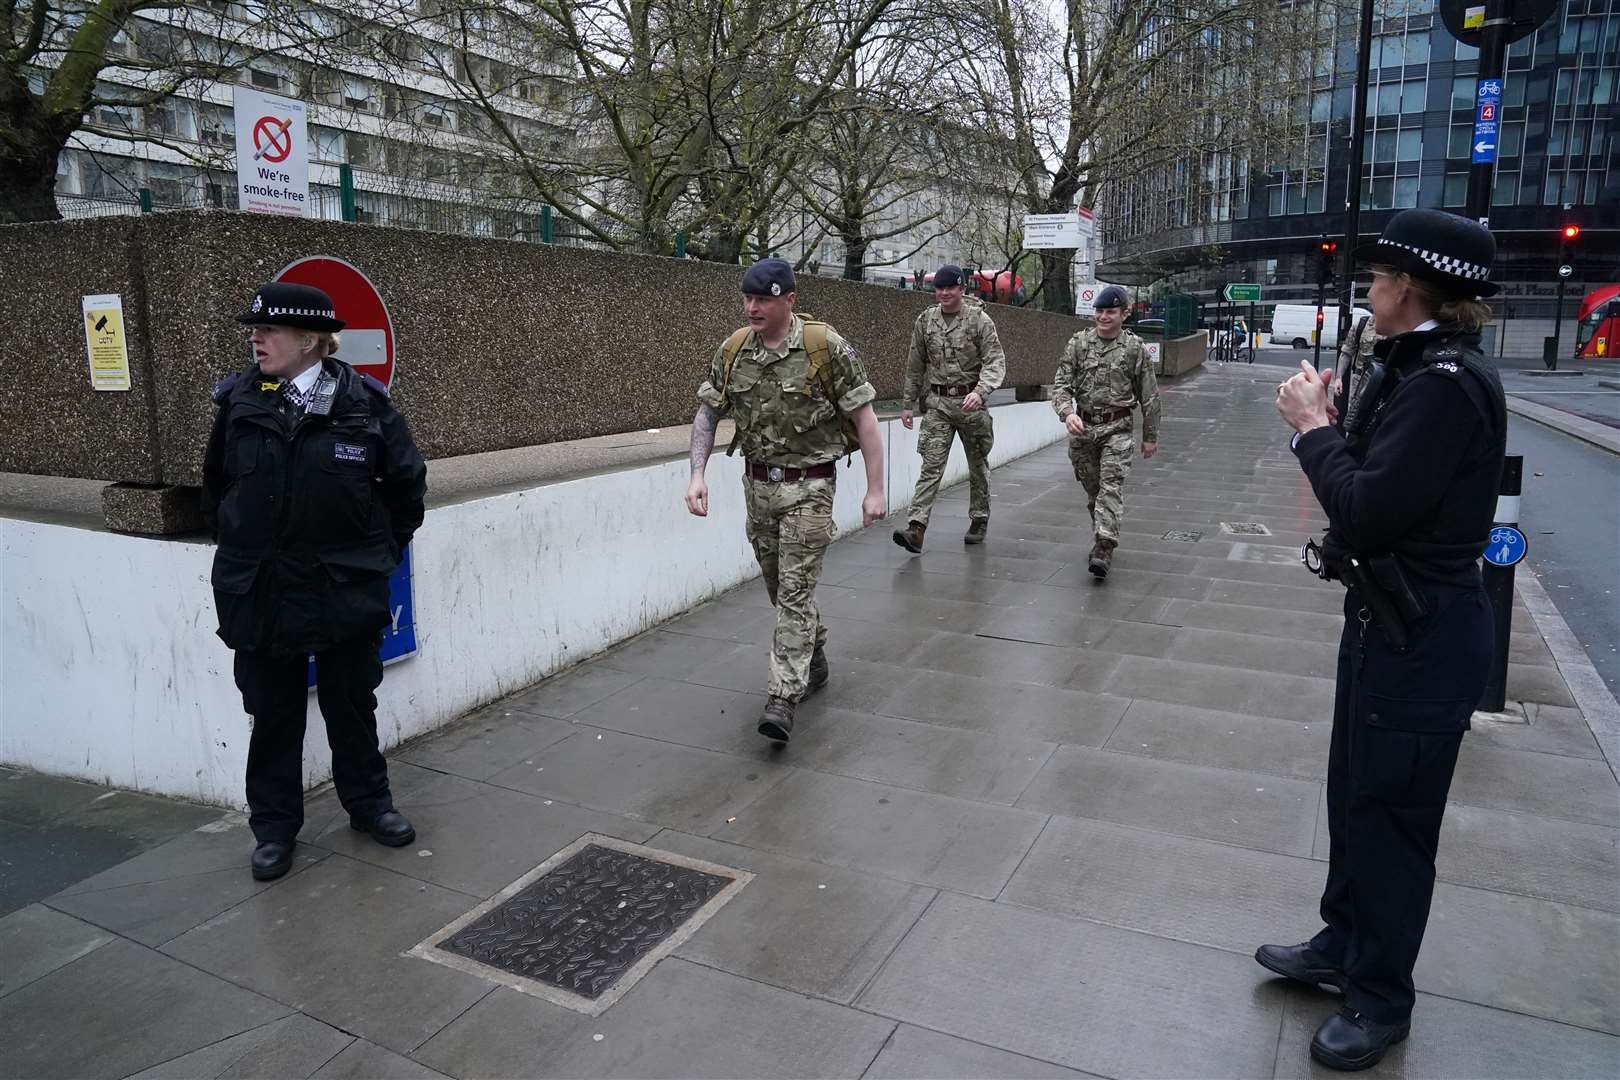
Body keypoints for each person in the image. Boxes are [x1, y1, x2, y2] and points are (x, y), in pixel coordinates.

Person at [1262, 208, 1507, 1071]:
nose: (1369, 287)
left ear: (1409, 288)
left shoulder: (1443, 385)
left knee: (1395, 820)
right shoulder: (1414, 366)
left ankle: (1380, 998)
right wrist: (1335, 424)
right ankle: (1344, 945)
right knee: (1354, 794)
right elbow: (1373, 478)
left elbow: (1365, 509)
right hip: (1387, 624)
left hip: (1423, 636)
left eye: (1378, 277)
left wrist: (1311, 430)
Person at [202, 281, 427, 881]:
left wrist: (375, 553)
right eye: (255, 328)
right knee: (272, 713)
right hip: (264, 589)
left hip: (342, 586)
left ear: (310, 340)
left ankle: (369, 805)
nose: (255, 338)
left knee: (351, 704)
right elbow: (217, 487)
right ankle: (274, 829)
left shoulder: (364, 403)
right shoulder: (240, 401)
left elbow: (406, 487)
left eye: (268, 329)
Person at [685, 259, 886, 743]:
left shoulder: (825, 347)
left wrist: (875, 489)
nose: (752, 307)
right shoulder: (734, 351)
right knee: (780, 588)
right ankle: (812, 656)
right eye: (748, 299)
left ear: (789, 300)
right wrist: (697, 474)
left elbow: (865, 419)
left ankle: (782, 697)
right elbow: (708, 413)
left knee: (794, 593)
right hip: (758, 489)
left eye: (764, 299)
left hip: (811, 488)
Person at [892, 264, 1007, 552]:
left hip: (971, 405)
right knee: (931, 466)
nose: (943, 293)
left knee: (977, 465)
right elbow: (915, 363)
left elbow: (995, 361)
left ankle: (979, 517)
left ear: (961, 289)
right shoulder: (926, 320)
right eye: (939, 289)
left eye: (950, 288)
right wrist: (907, 404)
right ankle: (916, 528)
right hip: (938, 404)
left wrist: (981, 392)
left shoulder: (979, 320)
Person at [1050, 285, 1161, 578]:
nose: (1103, 316)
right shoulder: (1078, 344)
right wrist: (1067, 412)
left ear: (1125, 313)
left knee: (1111, 486)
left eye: (1110, 311)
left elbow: (1150, 396)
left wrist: (1150, 436)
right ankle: (1102, 530)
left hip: (1118, 429)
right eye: (1099, 311)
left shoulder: (1134, 348)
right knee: (1094, 491)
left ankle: (1104, 545)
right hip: (1084, 429)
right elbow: (1061, 385)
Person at [1332, 311, 1381, 431]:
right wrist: (1338, 378)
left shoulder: (1397, 325)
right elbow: (1346, 354)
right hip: (1360, 381)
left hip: (1384, 381)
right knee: (1355, 418)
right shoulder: (1361, 325)